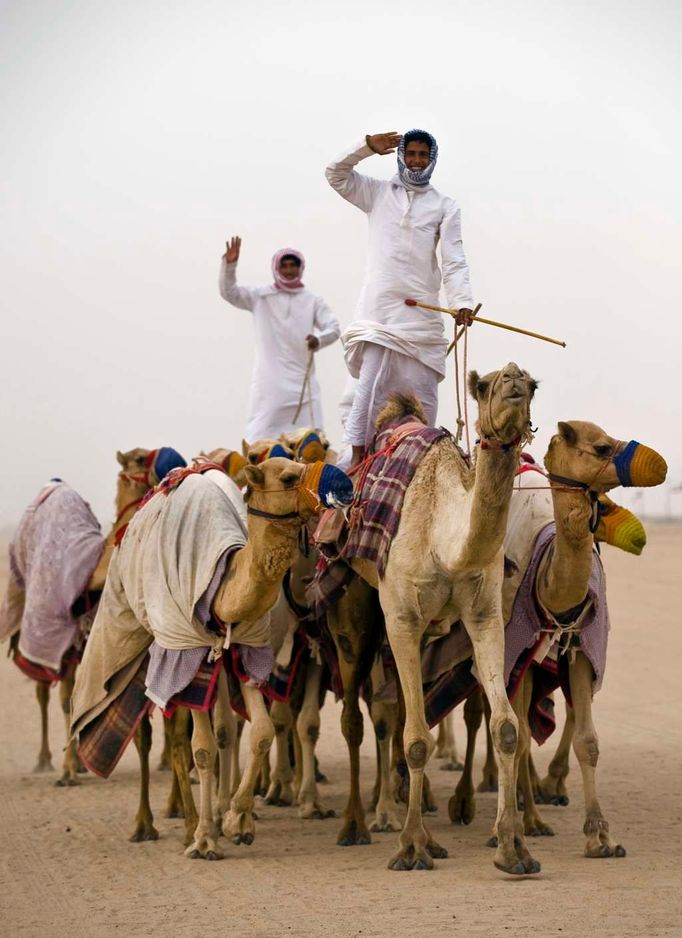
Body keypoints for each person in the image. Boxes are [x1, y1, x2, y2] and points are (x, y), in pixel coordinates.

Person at [325, 129, 474, 465]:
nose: (417, 161)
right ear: (401, 156)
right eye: (412, 154)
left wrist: (461, 302)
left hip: (421, 319)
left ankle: (418, 464)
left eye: (424, 155)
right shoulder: (377, 192)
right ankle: (357, 468)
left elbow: (454, 259)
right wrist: (364, 148)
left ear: (432, 159)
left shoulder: (445, 206)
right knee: (368, 394)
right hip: (379, 314)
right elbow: (334, 174)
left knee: (423, 402)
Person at [219, 238, 340, 442]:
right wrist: (230, 266)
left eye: (293, 265)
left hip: (303, 387)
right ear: (276, 267)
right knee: (260, 441)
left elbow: (334, 328)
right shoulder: (261, 297)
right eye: (284, 265)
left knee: (312, 442)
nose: (289, 269)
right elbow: (229, 293)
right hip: (270, 385)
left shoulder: (311, 301)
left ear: (300, 267)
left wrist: (318, 339)